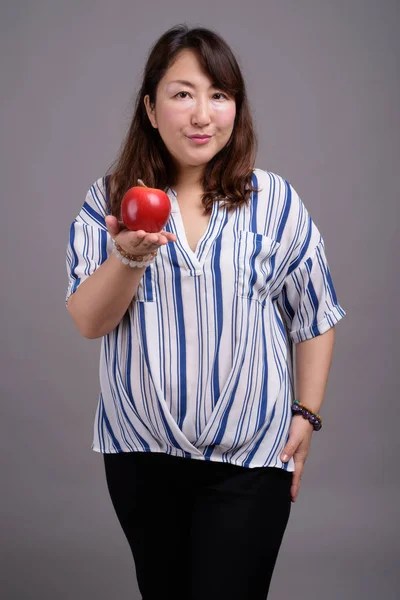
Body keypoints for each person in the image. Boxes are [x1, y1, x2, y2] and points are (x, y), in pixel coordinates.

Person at [65, 24, 346, 600]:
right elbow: (89, 321)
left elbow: (315, 314)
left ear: (235, 108)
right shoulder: (112, 200)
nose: (202, 114)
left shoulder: (273, 201)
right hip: (141, 457)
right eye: (183, 93)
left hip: (251, 461)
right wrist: (127, 256)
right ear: (150, 106)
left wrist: (307, 415)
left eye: (219, 95)